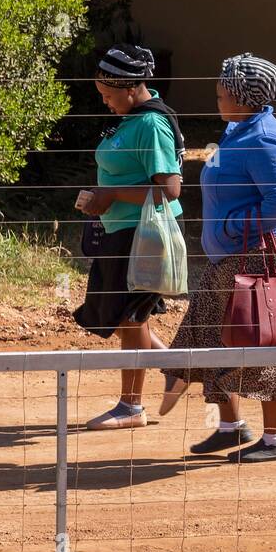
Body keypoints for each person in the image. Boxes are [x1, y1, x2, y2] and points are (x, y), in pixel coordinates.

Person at [160, 53, 276, 463]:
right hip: (236, 256)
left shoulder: (263, 139)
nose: (218, 95)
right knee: (212, 331)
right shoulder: (240, 129)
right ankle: (229, 425)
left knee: (262, 339)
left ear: (243, 97)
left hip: (262, 256)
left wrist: (231, 227)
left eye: (224, 91)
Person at [73, 44, 184, 430]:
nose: (104, 103)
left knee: (130, 316)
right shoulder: (130, 118)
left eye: (108, 95)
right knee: (124, 316)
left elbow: (170, 190)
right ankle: (174, 368)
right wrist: (101, 198)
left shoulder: (150, 125)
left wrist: (112, 195)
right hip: (120, 232)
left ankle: (131, 406)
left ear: (131, 87)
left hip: (144, 237)